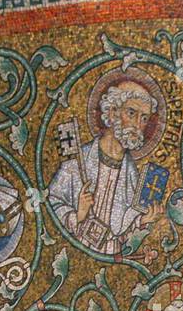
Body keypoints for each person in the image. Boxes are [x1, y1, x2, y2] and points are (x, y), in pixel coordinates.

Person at [47, 78, 165, 253]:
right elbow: (51, 203)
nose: (137, 125)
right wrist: (78, 215)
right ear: (111, 113)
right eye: (131, 113)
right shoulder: (77, 161)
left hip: (110, 256)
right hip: (73, 250)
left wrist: (141, 221)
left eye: (144, 118)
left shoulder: (133, 175)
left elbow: (121, 231)